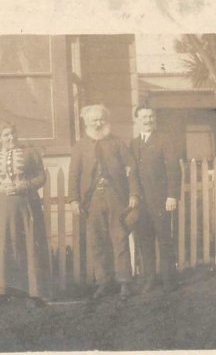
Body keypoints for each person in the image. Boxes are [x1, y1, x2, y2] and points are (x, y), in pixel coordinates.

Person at [69, 104, 139, 301]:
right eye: (94, 120)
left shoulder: (117, 143)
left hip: (116, 197)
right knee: (97, 241)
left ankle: (124, 282)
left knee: (120, 238)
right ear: (86, 123)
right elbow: (74, 174)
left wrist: (133, 193)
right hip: (92, 200)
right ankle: (104, 283)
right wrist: (74, 199)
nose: (98, 123)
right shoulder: (80, 146)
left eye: (101, 119)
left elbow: (131, 168)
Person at [0, 122, 51, 309]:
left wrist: (23, 185)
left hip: (25, 206)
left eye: (13, 134)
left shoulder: (30, 152)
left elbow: (41, 177)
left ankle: (30, 294)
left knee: (26, 245)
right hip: (1, 207)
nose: (11, 138)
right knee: (1, 247)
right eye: (6, 135)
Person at [130, 106, 181, 293]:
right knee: (145, 241)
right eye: (143, 117)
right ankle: (149, 279)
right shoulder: (133, 144)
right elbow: (132, 173)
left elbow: (174, 169)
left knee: (165, 240)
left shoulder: (164, 140)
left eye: (151, 116)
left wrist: (172, 195)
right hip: (141, 203)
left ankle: (169, 280)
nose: (148, 120)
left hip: (161, 200)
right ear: (137, 119)